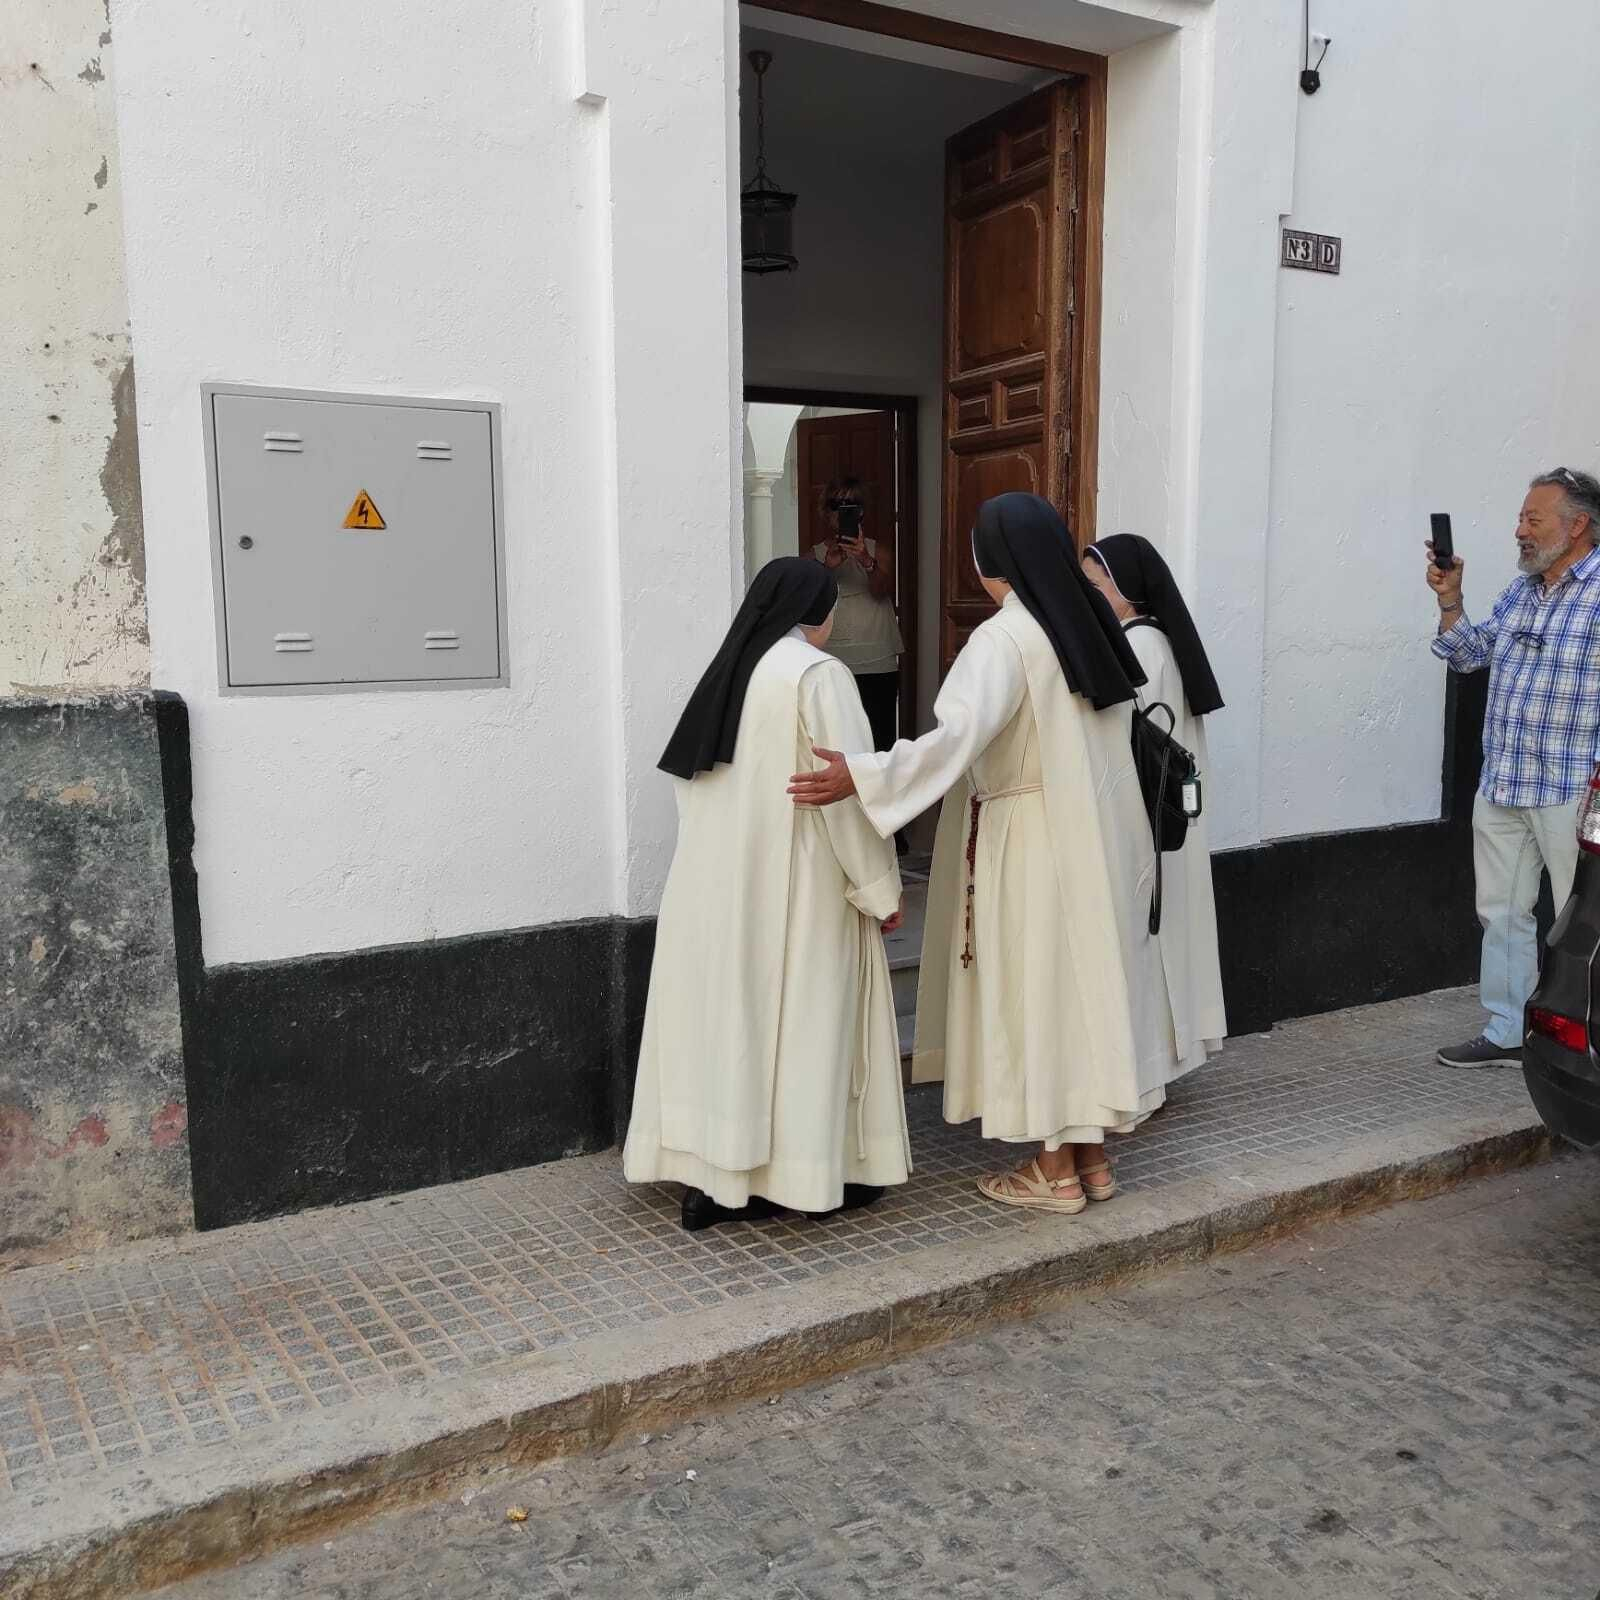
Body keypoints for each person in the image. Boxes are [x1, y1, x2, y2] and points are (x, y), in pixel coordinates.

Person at [789, 492, 1172, 1214]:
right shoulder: (1087, 624)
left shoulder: (1007, 639)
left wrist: (862, 775)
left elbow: (956, 737)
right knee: (1077, 990)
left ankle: (1053, 1171)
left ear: (990, 560)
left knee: (1034, 991)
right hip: (1095, 837)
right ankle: (1091, 1161)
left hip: (1029, 836)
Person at [623, 557, 910, 1232]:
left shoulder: (730, 669)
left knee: (730, 1029)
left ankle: (715, 1183)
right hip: (800, 883)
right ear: (815, 611)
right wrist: (879, 886)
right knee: (800, 1026)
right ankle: (799, 1178)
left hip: (711, 886)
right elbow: (847, 795)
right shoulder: (819, 676)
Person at [1428, 467, 1600, 1068]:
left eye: (1534, 519)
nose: (1520, 530)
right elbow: (1470, 655)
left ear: (1577, 526)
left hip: (1570, 789)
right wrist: (1450, 600)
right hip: (1503, 780)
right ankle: (1508, 1030)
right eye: (1521, 518)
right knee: (1501, 912)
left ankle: (1587, 1041)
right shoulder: (1522, 588)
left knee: (1585, 924)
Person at [1082, 535, 1227, 1078]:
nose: (1090, 592)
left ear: (1125, 589)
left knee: (1149, 940)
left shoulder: (1140, 646)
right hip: (1170, 818)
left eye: (1097, 583)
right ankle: (1169, 1055)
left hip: (1147, 818)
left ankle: (1147, 1069)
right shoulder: (1160, 641)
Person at [812, 477, 908, 851]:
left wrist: (866, 561)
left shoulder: (878, 549)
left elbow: (885, 590)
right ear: (826, 513)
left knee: (883, 740)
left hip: (878, 656)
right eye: (836, 505)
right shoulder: (813, 555)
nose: (843, 511)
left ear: (862, 512)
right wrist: (829, 567)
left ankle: (889, 825)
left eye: (850, 505)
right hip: (834, 659)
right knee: (837, 738)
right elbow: (809, 603)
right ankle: (842, 825)